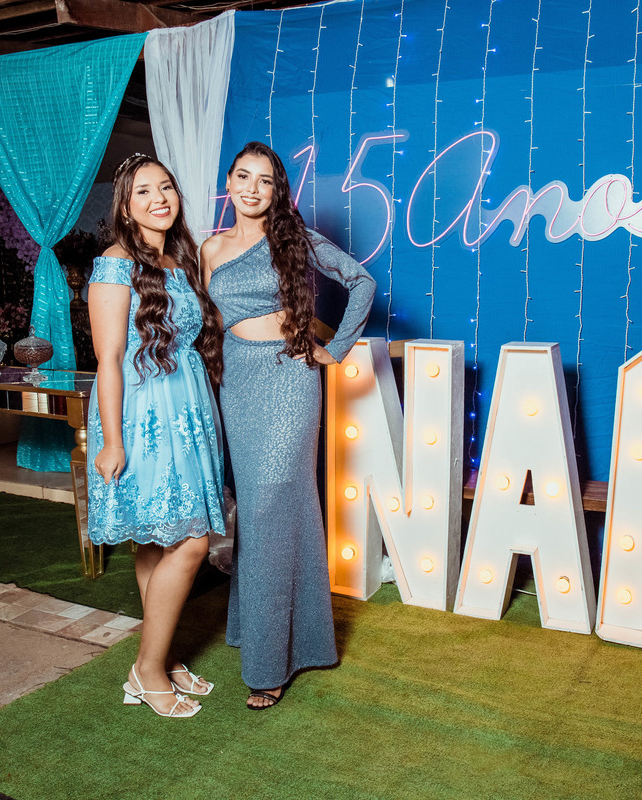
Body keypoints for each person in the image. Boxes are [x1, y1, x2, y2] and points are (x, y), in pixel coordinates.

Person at [201, 141, 376, 710]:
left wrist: (335, 349)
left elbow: (362, 282)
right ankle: (263, 632)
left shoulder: (294, 238)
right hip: (237, 384)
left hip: (289, 379)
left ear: (279, 191)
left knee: (274, 502)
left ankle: (270, 663)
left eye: (266, 180)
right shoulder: (209, 249)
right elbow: (207, 324)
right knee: (258, 511)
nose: (252, 189)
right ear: (229, 183)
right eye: (243, 177)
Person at [88, 154, 226, 718]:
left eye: (165, 187)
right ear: (124, 206)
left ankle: (161, 658)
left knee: (156, 540)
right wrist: (113, 440)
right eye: (143, 191)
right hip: (143, 413)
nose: (158, 199)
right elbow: (109, 358)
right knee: (191, 543)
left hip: (187, 407)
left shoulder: (179, 258)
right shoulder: (113, 264)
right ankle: (146, 671)